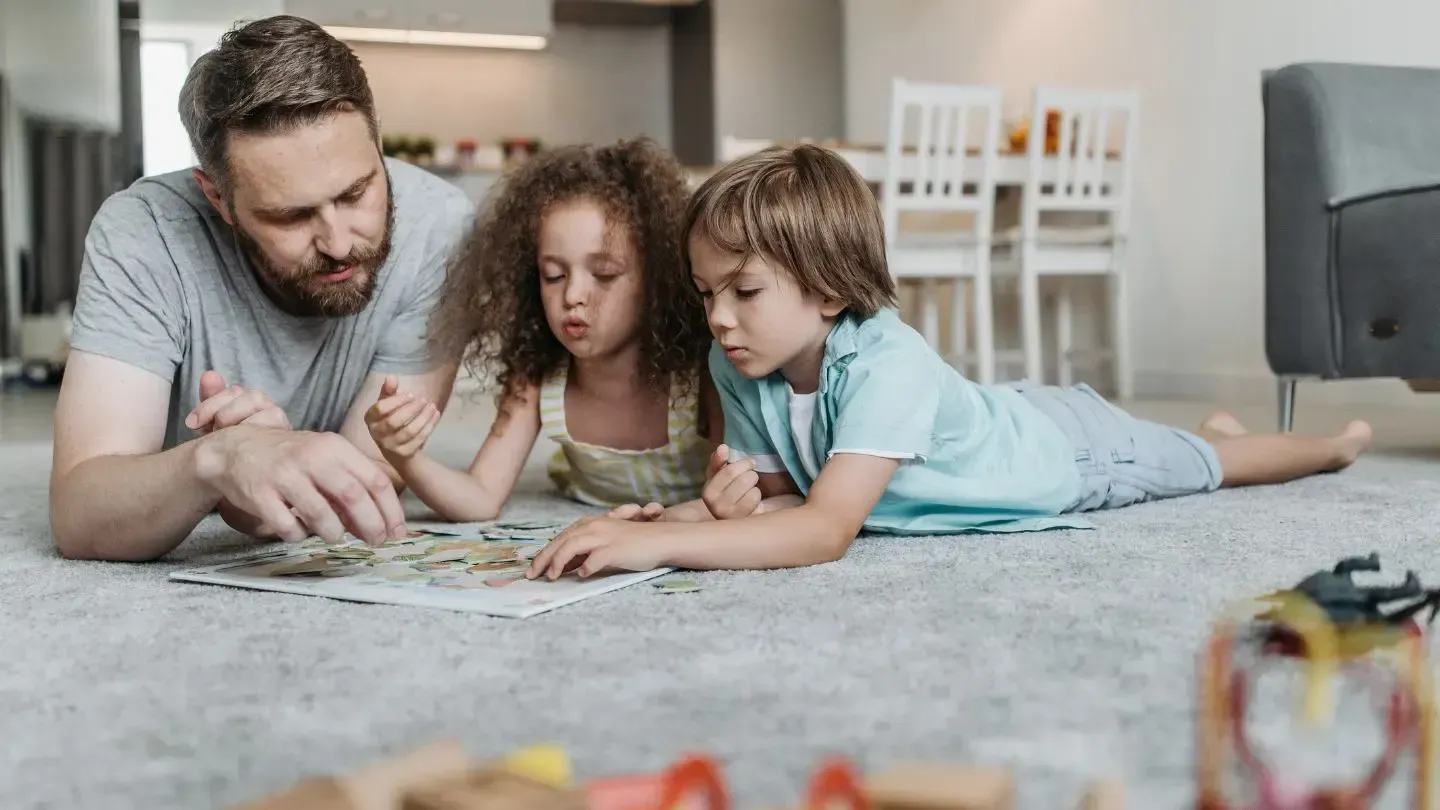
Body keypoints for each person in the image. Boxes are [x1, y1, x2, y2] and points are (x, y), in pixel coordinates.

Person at [526, 144, 1374, 579]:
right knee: (1188, 446)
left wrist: (663, 551)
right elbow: (786, 492)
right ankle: (1205, 430)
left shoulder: (887, 362)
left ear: (827, 290)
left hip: (1070, 452)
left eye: (743, 292)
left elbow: (824, 530)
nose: (717, 318)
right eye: (707, 293)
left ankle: (1329, 444)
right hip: (996, 414)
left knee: (1211, 466)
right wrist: (682, 514)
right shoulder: (735, 361)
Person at [49, 15, 474, 561]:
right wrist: (219, 461)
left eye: (356, 193)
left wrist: (253, 495)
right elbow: (81, 515)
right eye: (289, 216)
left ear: (377, 142)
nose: (340, 243)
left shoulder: (439, 225)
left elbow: (371, 477)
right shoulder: (142, 232)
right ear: (218, 198)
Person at [363, 137, 726, 520]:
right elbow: (481, 496)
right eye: (553, 275)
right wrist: (405, 456)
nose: (573, 295)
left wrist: (657, 528)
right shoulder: (538, 376)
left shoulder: (703, 371)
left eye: (603, 274)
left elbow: (732, 497)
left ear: (659, 278)